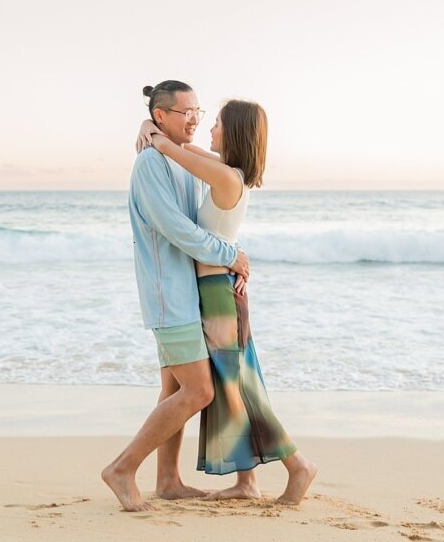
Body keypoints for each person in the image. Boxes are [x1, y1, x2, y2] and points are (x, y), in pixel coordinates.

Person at [136, 99, 318, 504]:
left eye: (216, 123)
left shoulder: (225, 178)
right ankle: (246, 482)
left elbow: (173, 150)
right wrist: (151, 124)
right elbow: (189, 151)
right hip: (214, 290)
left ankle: (298, 465)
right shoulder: (228, 173)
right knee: (235, 385)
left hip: (218, 293)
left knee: (240, 387)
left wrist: (153, 133)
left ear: (233, 132)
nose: (208, 129)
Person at [102, 80, 251, 512]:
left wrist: (232, 256)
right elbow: (177, 229)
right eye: (183, 112)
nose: (193, 119)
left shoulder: (180, 159)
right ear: (161, 116)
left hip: (190, 292)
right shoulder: (151, 163)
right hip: (171, 295)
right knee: (199, 391)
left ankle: (167, 481)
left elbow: (215, 201)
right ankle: (122, 468)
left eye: (197, 112)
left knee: (172, 388)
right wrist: (231, 255)